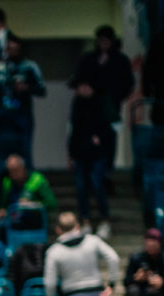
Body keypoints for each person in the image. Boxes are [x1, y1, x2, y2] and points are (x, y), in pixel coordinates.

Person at [0, 34, 46, 166]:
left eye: (15, 49)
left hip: (21, 112)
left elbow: (42, 90)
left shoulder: (29, 66)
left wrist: (26, 88)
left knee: (25, 150)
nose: (12, 52)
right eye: (9, 49)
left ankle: (27, 175)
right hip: (0, 111)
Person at [43, 211, 120, 296]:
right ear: (78, 226)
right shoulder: (93, 240)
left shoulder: (53, 251)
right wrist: (111, 285)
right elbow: (113, 258)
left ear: (58, 230)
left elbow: (50, 283)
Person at [69, 82, 115, 237]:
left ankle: (105, 221)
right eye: (79, 86)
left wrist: (99, 138)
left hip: (98, 154)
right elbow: (74, 131)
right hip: (81, 153)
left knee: (97, 183)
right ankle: (86, 221)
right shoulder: (77, 105)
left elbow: (110, 130)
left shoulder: (102, 103)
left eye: (84, 86)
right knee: (81, 187)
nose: (81, 89)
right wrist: (71, 154)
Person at [70, 25, 134, 125]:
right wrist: (81, 87)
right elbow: (77, 78)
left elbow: (127, 83)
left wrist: (114, 96)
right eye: (101, 39)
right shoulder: (89, 58)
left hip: (107, 108)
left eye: (106, 39)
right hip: (86, 108)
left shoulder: (120, 60)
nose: (104, 42)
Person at [0, 154, 58, 223]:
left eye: (15, 170)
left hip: (35, 224)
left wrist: (31, 205)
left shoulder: (37, 179)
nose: (12, 174)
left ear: (22, 168)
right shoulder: (7, 181)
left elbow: (51, 204)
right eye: (9, 170)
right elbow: (3, 205)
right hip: (12, 225)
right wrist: (2, 210)